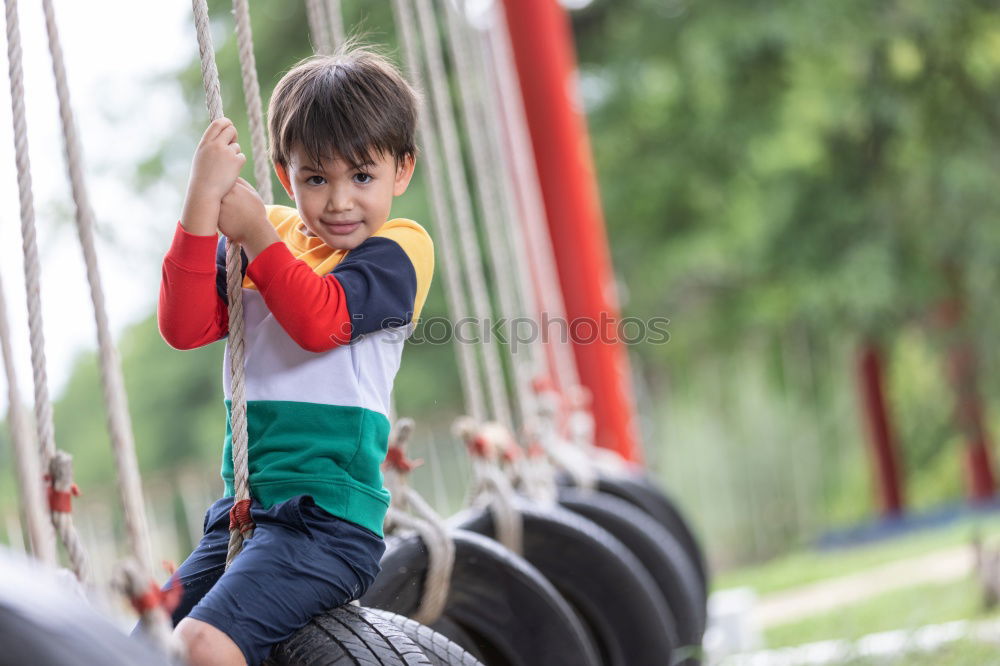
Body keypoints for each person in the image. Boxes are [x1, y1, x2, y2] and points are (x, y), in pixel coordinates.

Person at [156, 46, 433, 666]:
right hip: (242, 517)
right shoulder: (272, 234)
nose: (339, 201)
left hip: (327, 526)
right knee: (140, 640)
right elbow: (185, 325)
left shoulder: (399, 249)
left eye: (362, 177)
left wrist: (254, 232)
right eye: (317, 178)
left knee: (201, 644)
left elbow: (321, 321)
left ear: (402, 171)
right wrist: (203, 202)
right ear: (287, 176)